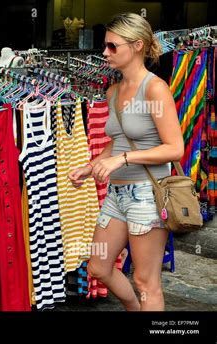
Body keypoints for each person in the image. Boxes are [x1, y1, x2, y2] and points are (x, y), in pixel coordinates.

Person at [68, 13, 184, 311]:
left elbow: (175, 148)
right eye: (105, 45)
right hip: (116, 196)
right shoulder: (113, 91)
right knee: (98, 267)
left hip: (147, 195)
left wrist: (123, 158)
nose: (104, 52)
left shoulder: (154, 89)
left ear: (137, 46)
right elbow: (118, 139)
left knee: (147, 282)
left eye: (112, 46)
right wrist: (92, 164)